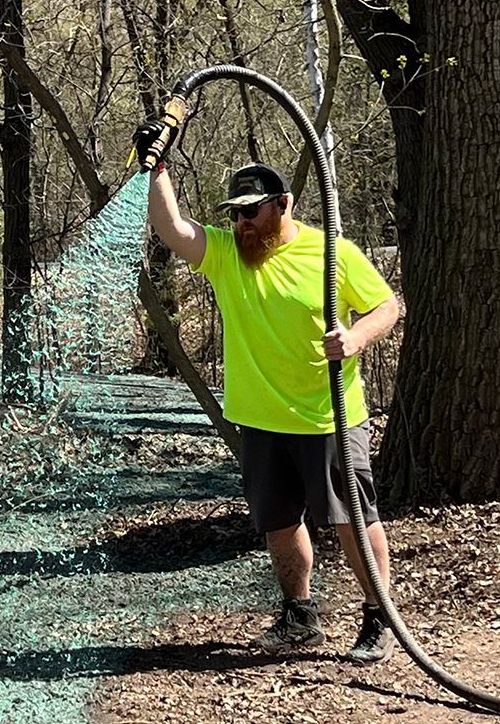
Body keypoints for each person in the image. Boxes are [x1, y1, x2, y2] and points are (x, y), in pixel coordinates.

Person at [134, 135, 402, 660]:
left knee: (352, 517)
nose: (243, 224)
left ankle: (379, 617)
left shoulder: (332, 253)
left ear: (284, 204)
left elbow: (388, 307)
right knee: (279, 521)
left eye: (253, 211)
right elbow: (172, 228)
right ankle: (299, 615)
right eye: (236, 214)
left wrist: (355, 339)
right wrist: (158, 167)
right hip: (259, 420)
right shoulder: (230, 255)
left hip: (328, 417)